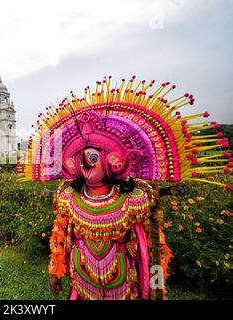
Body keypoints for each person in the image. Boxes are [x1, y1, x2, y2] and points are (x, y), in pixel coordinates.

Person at [17, 76, 231, 300]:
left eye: (91, 157)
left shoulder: (135, 198)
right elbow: (59, 236)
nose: (84, 163)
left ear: (112, 160)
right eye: (79, 158)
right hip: (81, 282)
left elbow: (154, 247)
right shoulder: (69, 195)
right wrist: (54, 272)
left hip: (123, 285)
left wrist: (157, 284)